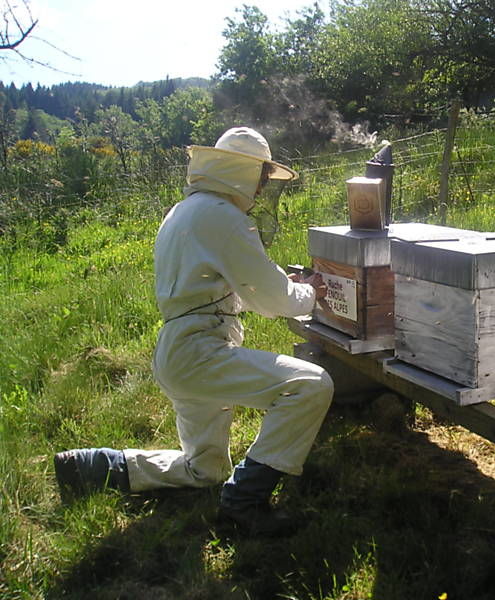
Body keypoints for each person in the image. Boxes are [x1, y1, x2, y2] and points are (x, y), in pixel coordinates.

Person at [54, 127, 334, 535]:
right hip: (202, 353)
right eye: (259, 178)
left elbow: (226, 282)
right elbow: (272, 299)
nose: (259, 190)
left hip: (178, 353)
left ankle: (95, 465)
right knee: (311, 385)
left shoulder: (185, 210)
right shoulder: (222, 217)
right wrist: (308, 293)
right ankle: (246, 501)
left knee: (204, 469)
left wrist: (285, 285)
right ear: (241, 172)